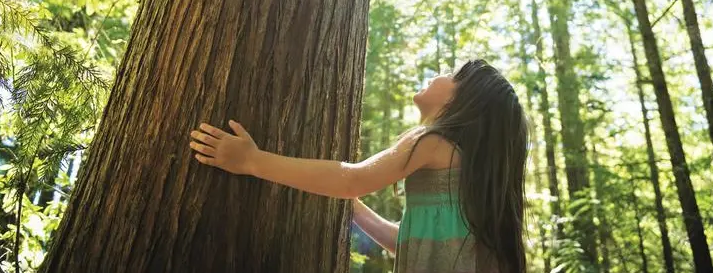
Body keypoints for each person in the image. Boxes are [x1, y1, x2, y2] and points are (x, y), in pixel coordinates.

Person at [189, 59, 528, 273]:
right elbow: (411, 243)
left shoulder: (431, 142)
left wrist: (252, 160)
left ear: (464, 101)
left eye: (452, 74)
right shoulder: (463, 181)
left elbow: (352, 179)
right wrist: (354, 209)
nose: (440, 72)